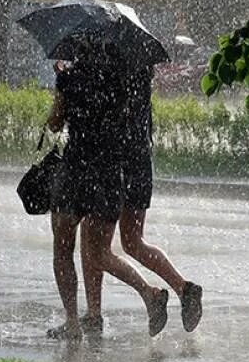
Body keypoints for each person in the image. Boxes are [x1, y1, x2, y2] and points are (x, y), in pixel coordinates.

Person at [45, 44, 169, 341]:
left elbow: (54, 123)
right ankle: (147, 294)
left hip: (76, 169)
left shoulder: (71, 78)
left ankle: (73, 322)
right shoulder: (123, 80)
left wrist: (63, 80)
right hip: (110, 174)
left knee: (63, 247)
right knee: (100, 251)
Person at [113, 66, 203, 333]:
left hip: (118, 162)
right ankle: (183, 288)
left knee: (97, 246)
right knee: (132, 241)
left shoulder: (113, 72)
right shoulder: (140, 73)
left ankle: (150, 295)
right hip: (141, 161)